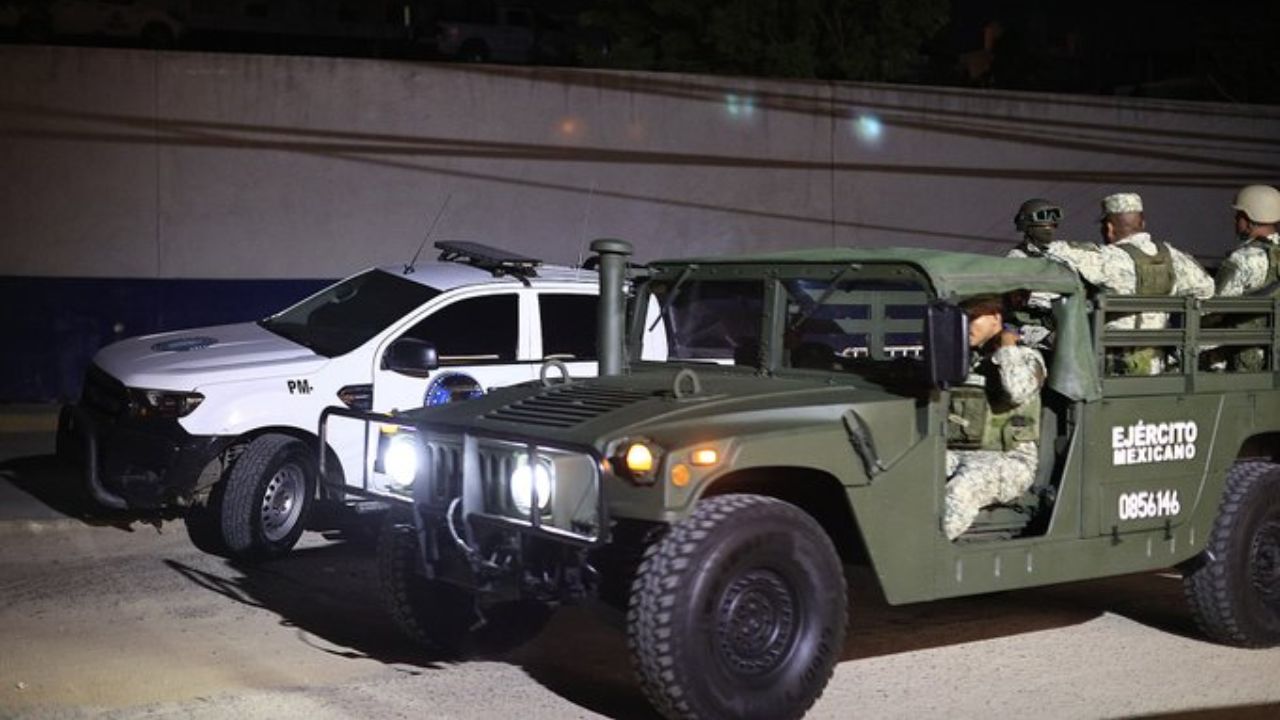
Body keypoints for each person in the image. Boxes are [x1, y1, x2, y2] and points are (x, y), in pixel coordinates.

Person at [1045, 192, 1214, 374]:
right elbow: (1206, 288)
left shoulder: (1107, 259)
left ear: (1109, 228)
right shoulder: (1174, 257)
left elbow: (1052, 250)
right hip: (1157, 365)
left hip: (1112, 368)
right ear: (1142, 223)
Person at [943, 295, 1046, 541]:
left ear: (995, 318)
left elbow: (1017, 391)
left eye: (973, 318)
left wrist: (1008, 347)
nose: (966, 325)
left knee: (962, 488)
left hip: (1010, 459)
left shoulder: (1026, 357)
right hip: (960, 452)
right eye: (961, 319)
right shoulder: (965, 358)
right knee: (914, 471)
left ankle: (927, 550)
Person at [1211, 185, 1280, 371]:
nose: (1235, 221)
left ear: (1250, 221)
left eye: (1239, 216)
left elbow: (1214, 307)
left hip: (1247, 356)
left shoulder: (1243, 258)